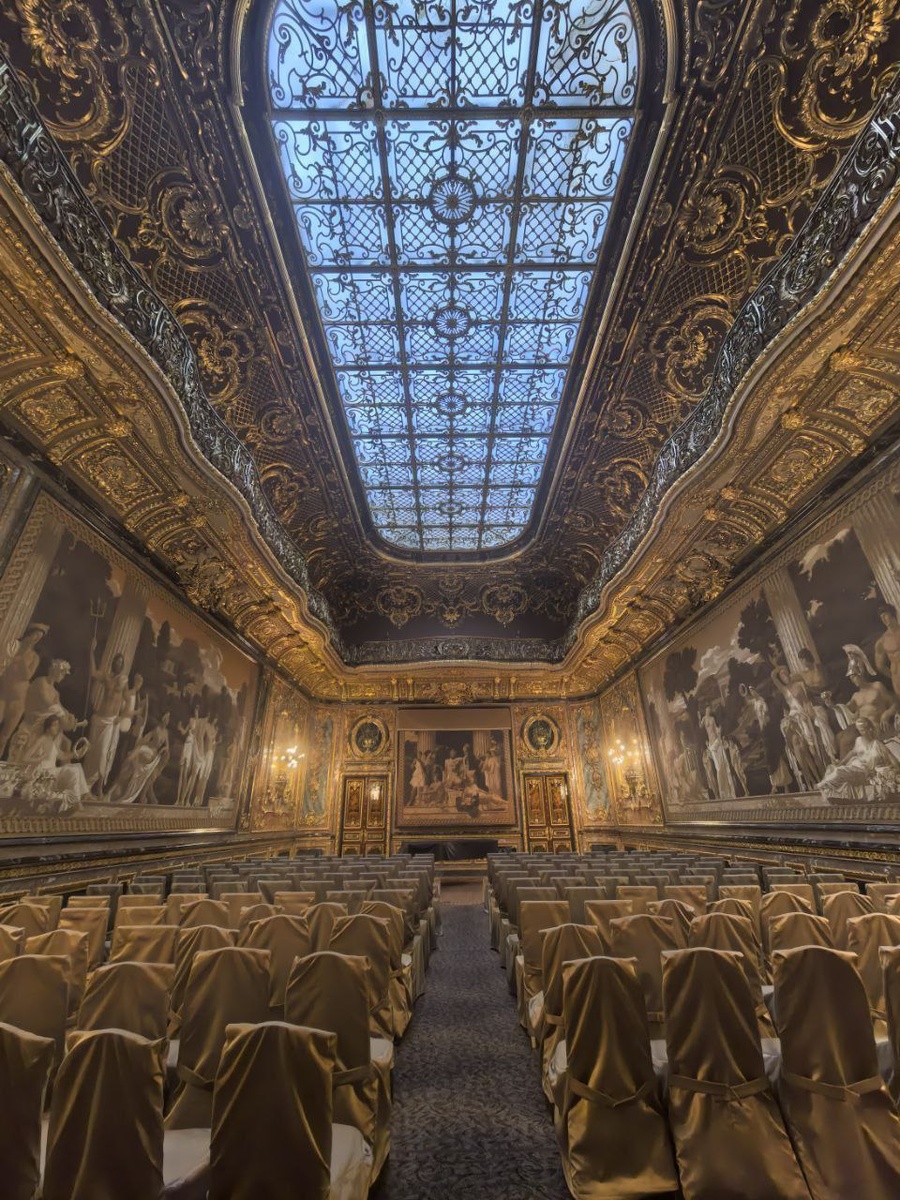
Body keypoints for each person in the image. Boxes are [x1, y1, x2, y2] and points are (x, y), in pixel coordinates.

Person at [817, 716, 900, 801]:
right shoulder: (859, 740)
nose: (864, 732)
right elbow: (852, 752)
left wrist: (898, 770)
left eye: (865, 729)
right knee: (837, 770)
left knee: (840, 772)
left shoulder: (877, 744)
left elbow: (891, 758)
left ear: (870, 729)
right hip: (857, 766)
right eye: (861, 730)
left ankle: (824, 784)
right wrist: (841, 763)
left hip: (865, 772)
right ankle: (827, 786)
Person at [83, 643, 130, 790]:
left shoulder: (124, 680)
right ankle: (86, 785)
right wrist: (91, 652)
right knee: (92, 752)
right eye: (117, 661)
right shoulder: (106, 676)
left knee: (104, 753)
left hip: (111, 721)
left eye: (121, 662)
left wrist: (121, 717)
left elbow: (128, 701)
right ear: (113, 663)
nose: (118, 664)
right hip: (99, 718)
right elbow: (92, 673)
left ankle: (99, 789)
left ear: (122, 665)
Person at [0, 623, 48, 757]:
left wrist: (22, 656)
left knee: (4, 737)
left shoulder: (34, 657)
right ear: (29, 633)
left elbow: (27, 675)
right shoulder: (13, 647)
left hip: (19, 700)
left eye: (39, 637)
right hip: (3, 695)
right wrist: (19, 652)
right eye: (35, 635)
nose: (36, 639)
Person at [106, 713, 171, 805]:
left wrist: (164, 749)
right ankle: (114, 790)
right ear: (162, 719)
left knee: (147, 771)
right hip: (148, 750)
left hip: (154, 754)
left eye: (168, 719)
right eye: (165, 718)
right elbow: (146, 739)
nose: (166, 720)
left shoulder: (166, 732)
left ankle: (145, 797)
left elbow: (167, 746)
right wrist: (142, 740)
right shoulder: (156, 729)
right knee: (135, 755)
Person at [875, 605, 900, 698]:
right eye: (881, 617)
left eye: (885, 615)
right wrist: (893, 676)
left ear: (892, 614)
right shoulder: (882, 641)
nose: (883, 619)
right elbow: (880, 665)